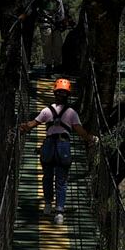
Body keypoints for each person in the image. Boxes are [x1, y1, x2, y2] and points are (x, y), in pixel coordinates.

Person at [32, 81, 84, 218]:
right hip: (63, 147)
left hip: (48, 146)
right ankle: (59, 211)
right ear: (68, 95)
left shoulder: (46, 111)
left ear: (55, 93)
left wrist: (21, 128)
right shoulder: (71, 112)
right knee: (61, 180)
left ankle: (48, 205)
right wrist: (90, 139)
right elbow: (79, 130)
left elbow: (32, 124)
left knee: (47, 177)